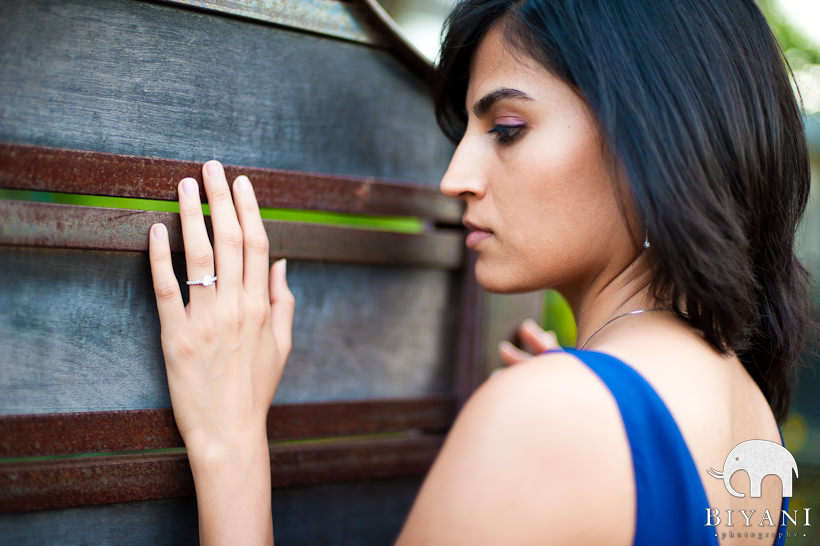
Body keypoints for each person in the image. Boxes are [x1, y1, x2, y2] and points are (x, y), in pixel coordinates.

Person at [147, 0, 816, 544]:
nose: (454, 178)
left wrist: (229, 442)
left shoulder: (553, 417)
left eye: (507, 127)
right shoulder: (747, 409)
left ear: (653, 138)